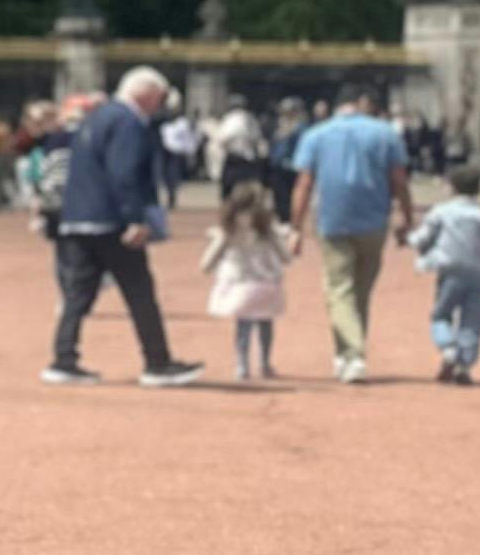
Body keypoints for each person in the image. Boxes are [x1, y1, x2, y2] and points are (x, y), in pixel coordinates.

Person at [43, 69, 203, 387]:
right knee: (140, 293)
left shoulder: (97, 116)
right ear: (146, 94)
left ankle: (63, 358)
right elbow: (124, 173)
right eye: (158, 97)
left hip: (79, 217)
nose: (159, 104)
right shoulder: (128, 122)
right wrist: (135, 218)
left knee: (77, 295)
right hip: (111, 220)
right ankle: (157, 361)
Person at [288, 85, 411, 382]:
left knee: (339, 290)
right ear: (362, 103)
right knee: (360, 292)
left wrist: (296, 226)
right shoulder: (385, 133)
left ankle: (351, 354)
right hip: (373, 219)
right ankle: (347, 354)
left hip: (333, 219)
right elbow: (399, 181)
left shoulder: (316, 135)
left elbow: (304, 184)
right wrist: (406, 217)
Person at [407, 167, 480, 385]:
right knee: (473, 319)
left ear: (452, 187)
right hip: (478, 272)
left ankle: (448, 347)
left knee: (441, 315)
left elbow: (423, 238)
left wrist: (409, 239)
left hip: (449, 269)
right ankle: (465, 363)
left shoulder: (442, 211)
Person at [201, 180, 291, 382]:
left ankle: (242, 365)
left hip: (239, 283)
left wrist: (208, 267)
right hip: (266, 283)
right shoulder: (268, 230)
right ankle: (265, 363)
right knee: (265, 324)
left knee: (244, 327)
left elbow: (208, 261)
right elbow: (286, 256)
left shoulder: (228, 231)